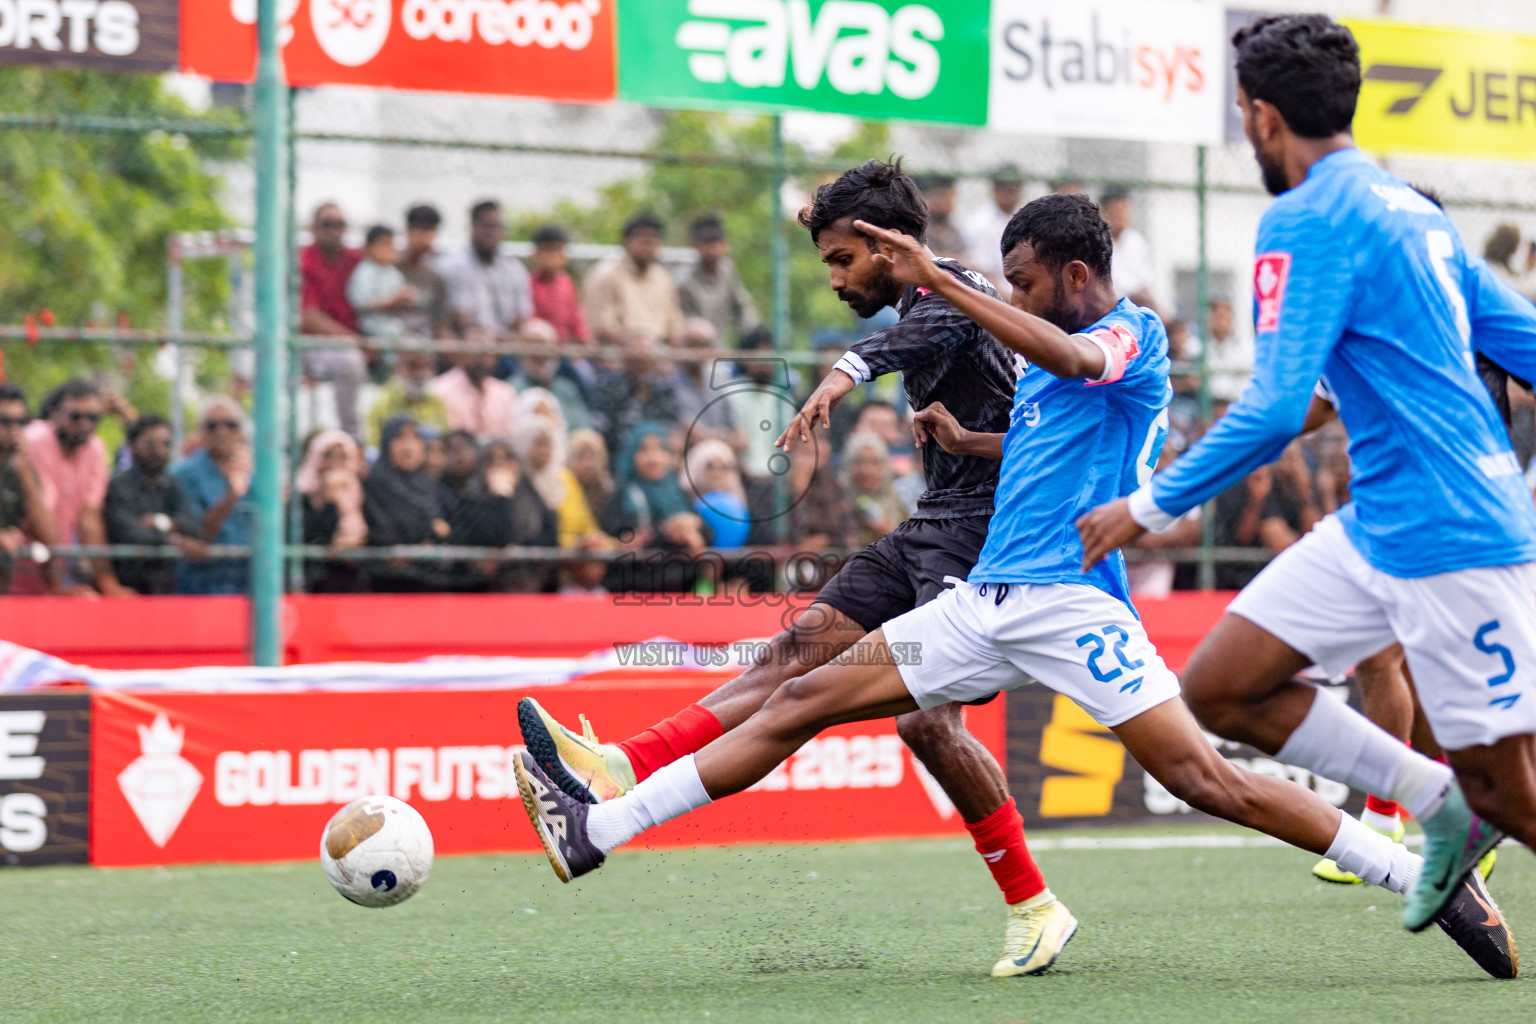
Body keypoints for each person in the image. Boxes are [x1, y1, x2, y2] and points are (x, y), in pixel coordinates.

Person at [514, 190, 1515, 981]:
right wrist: (966, 435)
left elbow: (1078, 359)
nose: (1016, 297)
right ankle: (596, 828)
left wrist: (946, 288)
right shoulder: (1039, 359)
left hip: (1075, 608)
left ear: (1078, 273)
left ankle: (1417, 864)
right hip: (985, 601)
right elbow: (1045, 434)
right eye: (1007, 282)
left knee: (1204, 778)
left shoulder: (1132, 333)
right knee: (805, 696)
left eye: (1025, 282)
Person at [519, 161, 1065, 979]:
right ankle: (621, 766)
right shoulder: (925, 287)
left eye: (843, 259)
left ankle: (1035, 905)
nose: (837, 279)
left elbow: (911, 339)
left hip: (988, 545)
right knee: (792, 652)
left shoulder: (948, 287)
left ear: (887, 247)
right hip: (933, 530)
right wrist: (830, 208)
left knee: (906, 717)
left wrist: (841, 376)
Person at [1074, 13, 1536, 946]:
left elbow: (1277, 406)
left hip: (1455, 533)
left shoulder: (1305, 216)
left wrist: (1149, 504)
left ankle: (1461, 799)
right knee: (1223, 686)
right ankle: (1430, 801)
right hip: (1384, 523)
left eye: (1245, 113)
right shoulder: (1415, 213)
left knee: (1513, 791)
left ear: (1262, 116)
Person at [24, 380, 131, 596]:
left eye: (93, 418)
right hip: (18, 569)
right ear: (54, 415)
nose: (85, 424)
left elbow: (89, 519)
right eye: (76, 416)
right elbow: (41, 524)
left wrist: (108, 584)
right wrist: (57, 589)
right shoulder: (36, 440)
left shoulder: (94, 448)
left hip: (50, 572)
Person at [104, 415, 204, 595]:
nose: (159, 451)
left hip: (164, 586)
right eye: (151, 443)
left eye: (166, 444)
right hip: (127, 586)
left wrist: (161, 522)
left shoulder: (171, 484)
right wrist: (175, 540)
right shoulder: (118, 485)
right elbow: (130, 532)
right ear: (132, 446)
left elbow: (193, 525)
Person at [447, 438, 559, 593]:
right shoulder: (470, 501)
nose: (500, 464)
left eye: (508, 458)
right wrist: (501, 495)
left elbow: (551, 537)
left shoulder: (531, 496)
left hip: (533, 587)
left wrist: (519, 551)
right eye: (491, 460)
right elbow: (500, 538)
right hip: (486, 591)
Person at [298, 203, 368, 437]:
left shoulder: (355, 259)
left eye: (340, 225)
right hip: (313, 346)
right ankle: (351, 436)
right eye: (327, 225)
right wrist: (354, 341)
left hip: (354, 341)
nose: (334, 231)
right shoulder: (304, 260)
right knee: (350, 361)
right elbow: (309, 317)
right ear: (313, 228)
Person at [174, 396, 254, 595]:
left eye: (230, 424)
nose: (222, 432)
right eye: (212, 425)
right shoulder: (183, 474)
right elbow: (197, 534)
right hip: (202, 584)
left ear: (241, 431)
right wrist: (231, 495)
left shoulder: (260, 474)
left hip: (250, 584)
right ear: (201, 431)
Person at [363, 416, 450, 592]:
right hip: (385, 583)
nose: (408, 446)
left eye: (415, 438)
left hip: (430, 582)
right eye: (400, 438)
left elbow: (449, 527)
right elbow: (385, 532)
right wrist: (430, 532)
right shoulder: (375, 483)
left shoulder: (429, 485)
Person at [438, 199, 531, 346]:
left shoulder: (514, 269)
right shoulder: (453, 266)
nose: (493, 233)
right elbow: (459, 316)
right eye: (487, 226)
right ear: (472, 227)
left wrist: (507, 338)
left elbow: (522, 315)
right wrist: (489, 337)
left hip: (507, 342)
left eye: (498, 227)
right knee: (475, 339)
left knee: (539, 334)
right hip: (470, 342)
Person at [585, 213, 685, 345]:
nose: (649, 248)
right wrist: (637, 343)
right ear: (625, 242)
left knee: (699, 335)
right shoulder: (606, 274)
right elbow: (601, 326)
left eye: (654, 242)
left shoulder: (663, 278)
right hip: (618, 353)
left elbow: (675, 323)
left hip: (660, 351)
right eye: (644, 242)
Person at [588, 333, 683, 469]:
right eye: (636, 358)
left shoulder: (665, 388)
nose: (641, 364)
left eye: (645, 358)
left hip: (657, 459)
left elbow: (672, 427)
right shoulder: (608, 385)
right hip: (616, 458)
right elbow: (600, 427)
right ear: (625, 359)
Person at [295, 429, 368, 593]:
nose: (334, 462)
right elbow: (313, 536)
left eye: (341, 456)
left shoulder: (360, 493)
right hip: (315, 584)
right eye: (328, 455)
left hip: (352, 583)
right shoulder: (301, 497)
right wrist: (328, 502)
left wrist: (357, 541)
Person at [0, 385, 55, 595]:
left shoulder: (18, 469)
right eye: (5, 421)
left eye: (21, 422)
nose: (14, 429)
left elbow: (48, 536)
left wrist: (24, 470)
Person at [677, 214, 760, 347]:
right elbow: (685, 324)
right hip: (694, 355)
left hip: (722, 350)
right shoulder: (685, 281)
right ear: (696, 246)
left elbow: (744, 308)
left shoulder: (727, 270)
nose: (714, 248)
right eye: (708, 243)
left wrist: (748, 337)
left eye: (717, 241)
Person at [672, 318, 743, 452]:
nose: (698, 351)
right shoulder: (670, 384)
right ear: (680, 346)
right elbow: (691, 433)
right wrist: (723, 437)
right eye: (692, 344)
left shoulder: (717, 384)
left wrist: (715, 438)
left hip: (720, 457)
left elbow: (741, 438)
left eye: (704, 344)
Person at [509, 320, 592, 432]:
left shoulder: (566, 389)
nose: (539, 352)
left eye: (544, 344)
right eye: (534, 345)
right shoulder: (512, 389)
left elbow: (583, 428)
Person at [429, 337, 518, 440]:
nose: (481, 360)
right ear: (462, 354)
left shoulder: (504, 392)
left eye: (487, 354)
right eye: (476, 353)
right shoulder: (439, 389)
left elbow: (509, 435)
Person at [367, 346, 450, 448]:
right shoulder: (382, 401)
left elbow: (445, 439)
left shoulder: (435, 401)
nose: (420, 374)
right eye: (413, 366)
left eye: (425, 366)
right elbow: (373, 446)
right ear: (397, 367)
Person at [528, 224, 592, 349]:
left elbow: (576, 319)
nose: (551, 257)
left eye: (556, 250)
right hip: (540, 351)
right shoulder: (527, 283)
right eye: (546, 250)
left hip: (567, 351)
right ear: (535, 255)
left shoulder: (567, 282)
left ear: (564, 255)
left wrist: (585, 342)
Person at [347, 225, 414, 343]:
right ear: (369, 247)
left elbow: (401, 298)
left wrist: (405, 298)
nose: (388, 249)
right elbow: (362, 304)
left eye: (391, 244)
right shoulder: (364, 272)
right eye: (383, 244)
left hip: (394, 329)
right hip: (371, 331)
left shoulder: (393, 273)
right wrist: (390, 301)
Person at [842, 431, 910, 548]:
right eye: (859, 462)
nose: (866, 470)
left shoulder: (896, 500)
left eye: (874, 463)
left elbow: (910, 543)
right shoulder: (838, 498)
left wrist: (885, 528)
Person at [962, 166, 1023, 288]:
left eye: (1013, 190)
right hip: (989, 290)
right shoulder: (980, 222)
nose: (1010, 195)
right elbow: (980, 269)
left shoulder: (1023, 218)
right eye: (1005, 190)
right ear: (994, 191)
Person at [397, 204, 451, 341]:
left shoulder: (435, 278)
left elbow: (441, 324)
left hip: (426, 349)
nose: (426, 237)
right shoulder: (387, 270)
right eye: (421, 230)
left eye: (430, 230)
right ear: (407, 230)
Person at [1099, 187, 1157, 313]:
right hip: (1108, 307)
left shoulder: (1135, 241)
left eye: (1125, 209)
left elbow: (1145, 283)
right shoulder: (1096, 241)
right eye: (1117, 211)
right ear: (1104, 213)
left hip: (1136, 305)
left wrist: (1159, 312)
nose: (1122, 215)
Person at [915, 174, 967, 260]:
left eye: (951, 196)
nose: (947, 201)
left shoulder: (955, 229)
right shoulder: (917, 227)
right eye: (941, 195)